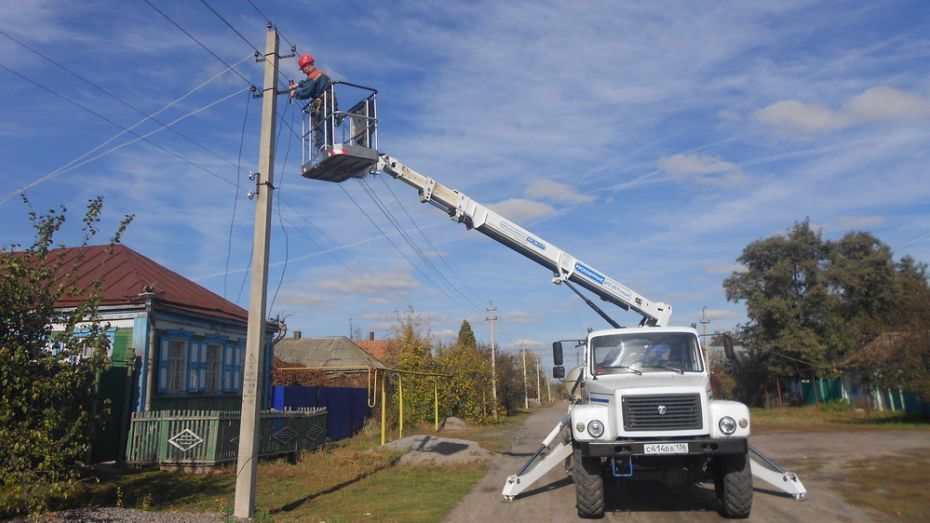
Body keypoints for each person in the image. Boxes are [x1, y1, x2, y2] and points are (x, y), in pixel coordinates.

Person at [289, 53, 332, 156]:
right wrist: (298, 84)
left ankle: (324, 151)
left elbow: (306, 91)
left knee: (321, 129)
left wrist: (295, 93)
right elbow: (307, 82)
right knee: (327, 128)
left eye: (303, 69)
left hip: (322, 106)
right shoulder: (320, 74)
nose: (303, 72)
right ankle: (327, 148)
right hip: (329, 104)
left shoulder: (314, 76)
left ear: (307, 66)